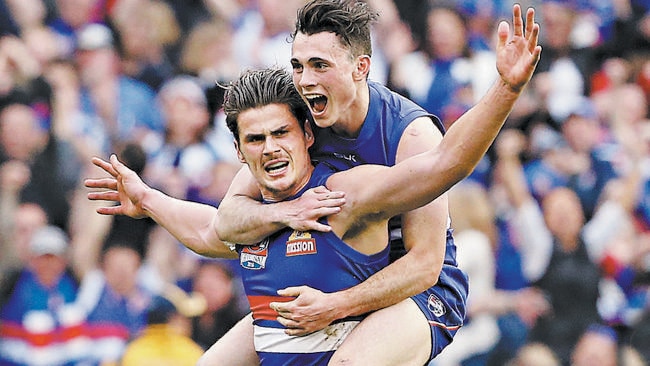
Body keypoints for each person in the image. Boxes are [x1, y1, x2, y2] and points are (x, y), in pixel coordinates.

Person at [85, 15, 540, 363]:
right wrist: (149, 199)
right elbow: (221, 227)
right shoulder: (290, 123)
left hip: (414, 290)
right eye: (298, 66)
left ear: (361, 67)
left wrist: (505, 87)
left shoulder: (401, 142)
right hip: (315, 299)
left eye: (319, 65)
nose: (305, 80)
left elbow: (426, 256)